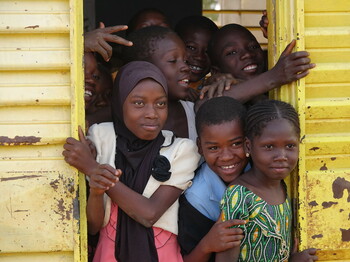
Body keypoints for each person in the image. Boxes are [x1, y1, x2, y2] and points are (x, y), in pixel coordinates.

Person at [63, 61, 200, 262]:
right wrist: (96, 189)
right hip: (109, 253)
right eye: (138, 103)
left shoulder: (182, 150)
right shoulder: (102, 137)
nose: (152, 113)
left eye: (160, 103)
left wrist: (93, 169)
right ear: (119, 103)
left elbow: (149, 213)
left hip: (161, 254)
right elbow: (93, 226)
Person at [216, 100, 318, 262]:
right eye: (269, 147)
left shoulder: (284, 187)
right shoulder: (239, 196)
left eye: (290, 146)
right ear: (248, 147)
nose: (281, 156)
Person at [178, 96, 249, 262]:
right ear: (200, 147)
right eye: (214, 148)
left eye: (235, 144)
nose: (226, 157)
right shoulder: (197, 198)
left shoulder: (261, 169)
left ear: (249, 141)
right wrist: (207, 245)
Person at [195, 24, 315, 109]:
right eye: (232, 52)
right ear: (216, 71)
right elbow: (207, 106)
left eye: (253, 47)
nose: (247, 54)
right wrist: (274, 76)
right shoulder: (216, 89)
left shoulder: (273, 70)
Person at [122, 26, 196, 141]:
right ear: (141, 68)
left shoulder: (197, 113)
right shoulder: (110, 121)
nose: (186, 67)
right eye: (172, 60)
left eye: (185, 61)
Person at [175, 16, 236, 101]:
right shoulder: (159, 85)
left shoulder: (212, 87)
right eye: (191, 48)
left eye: (207, 52)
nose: (200, 57)